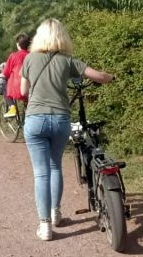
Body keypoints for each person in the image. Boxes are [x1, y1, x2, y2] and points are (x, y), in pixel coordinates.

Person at [20, 18, 115, 241]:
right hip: (60, 120)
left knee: (40, 173)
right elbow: (98, 76)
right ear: (62, 37)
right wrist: (110, 77)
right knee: (55, 167)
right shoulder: (68, 61)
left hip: (35, 120)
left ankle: (44, 226)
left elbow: (23, 91)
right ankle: (56, 214)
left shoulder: (29, 59)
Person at [1, 33, 32, 118]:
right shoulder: (32, 56)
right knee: (28, 103)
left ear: (18, 44)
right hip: (30, 88)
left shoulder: (13, 56)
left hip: (16, 88)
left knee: (4, 86)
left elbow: (5, 73)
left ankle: (12, 107)